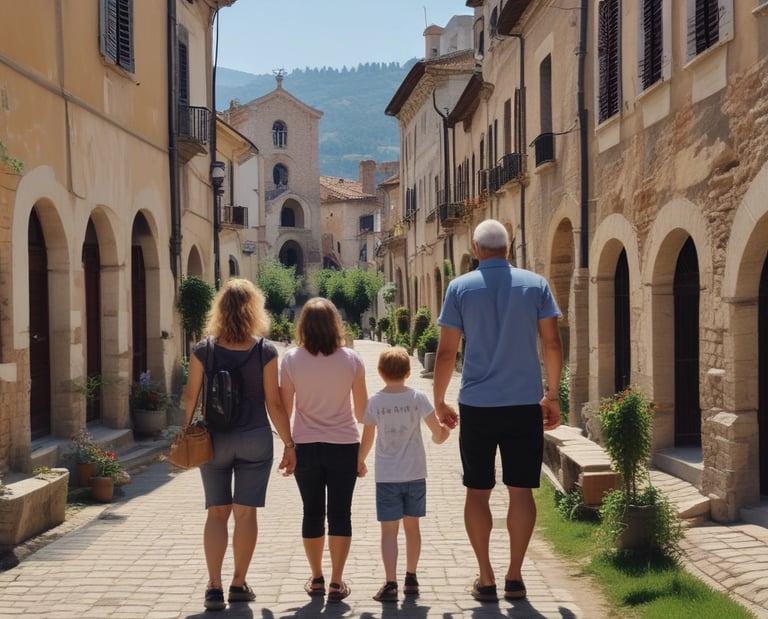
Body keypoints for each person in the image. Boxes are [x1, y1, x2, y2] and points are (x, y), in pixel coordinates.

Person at [432, 219, 563, 603]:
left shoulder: (459, 288)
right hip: (524, 404)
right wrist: (552, 395)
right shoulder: (535, 284)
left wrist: (439, 401)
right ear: (508, 247)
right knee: (521, 491)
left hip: (478, 405)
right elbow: (552, 343)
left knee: (478, 491)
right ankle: (516, 576)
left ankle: (486, 577)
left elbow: (445, 352)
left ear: (475, 248)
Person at [183, 278, 295, 611]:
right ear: (255, 309)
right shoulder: (265, 350)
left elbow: (190, 396)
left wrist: (183, 431)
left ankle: (214, 587)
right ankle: (238, 583)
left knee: (216, 513)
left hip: (214, 440)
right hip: (255, 439)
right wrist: (289, 443)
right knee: (246, 515)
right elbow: (274, 403)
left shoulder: (204, 349)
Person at [279, 297, 369, 602]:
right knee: (341, 513)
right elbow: (362, 413)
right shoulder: (352, 361)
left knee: (312, 512)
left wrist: (288, 447)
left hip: (305, 445)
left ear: (303, 325)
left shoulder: (290, 360)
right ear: (336, 325)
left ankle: (316, 577)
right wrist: (364, 454)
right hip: (344, 444)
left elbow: (285, 409)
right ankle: (336, 581)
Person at [359, 346, 450, 603]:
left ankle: (390, 582)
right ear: (409, 372)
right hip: (415, 474)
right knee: (412, 528)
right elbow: (436, 432)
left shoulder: (375, 402)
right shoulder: (418, 398)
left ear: (380, 372)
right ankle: (411, 576)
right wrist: (443, 433)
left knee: (389, 532)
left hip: (387, 476)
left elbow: (368, 437)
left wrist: (360, 461)